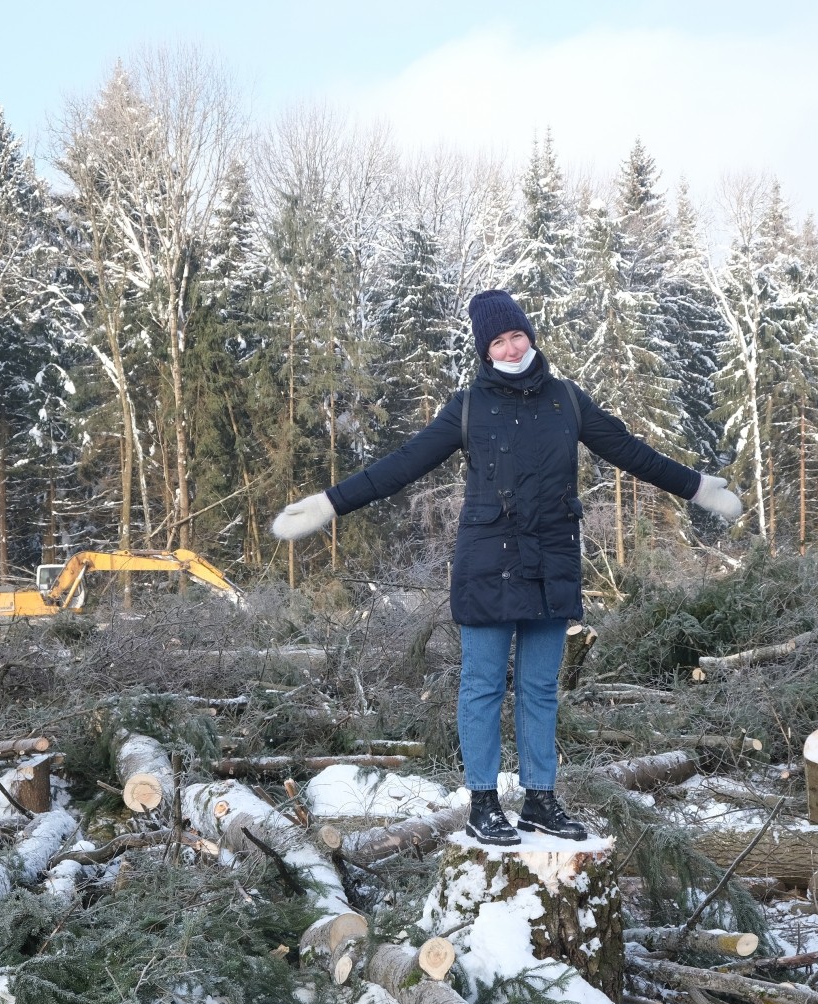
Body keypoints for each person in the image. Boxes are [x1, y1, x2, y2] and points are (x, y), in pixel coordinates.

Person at [272, 289, 743, 845]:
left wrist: (697, 487)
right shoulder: (467, 407)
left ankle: (541, 800)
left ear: (530, 335)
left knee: (542, 688)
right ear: (485, 349)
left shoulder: (568, 401)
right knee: (482, 687)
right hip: (486, 562)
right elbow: (400, 466)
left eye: (517, 334)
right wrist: (330, 504)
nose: (511, 346)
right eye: (498, 340)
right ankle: (484, 803)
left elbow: (631, 452)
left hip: (553, 559)